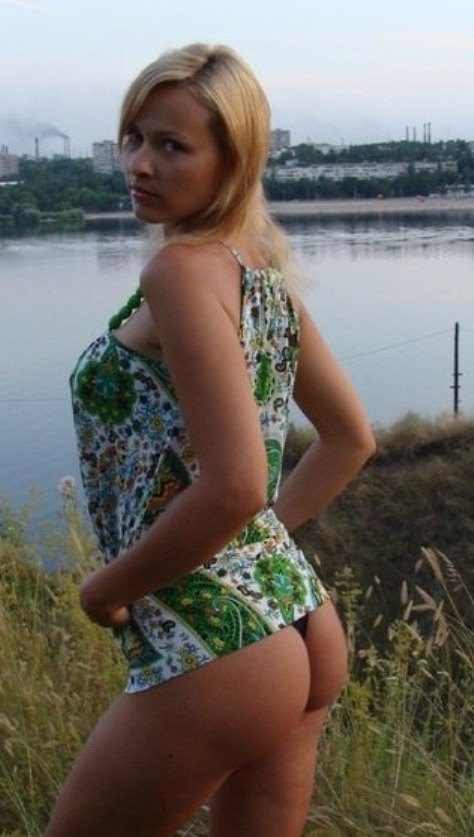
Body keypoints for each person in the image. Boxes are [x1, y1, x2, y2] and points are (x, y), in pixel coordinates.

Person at [46, 43, 375, 837]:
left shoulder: (181, 273)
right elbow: (348, 439)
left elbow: (236, 485)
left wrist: (105, 589)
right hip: (297, 613)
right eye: (134, 137)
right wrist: (252, 543)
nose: (139, 163)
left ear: (234, 161)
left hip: (220, 646)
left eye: (172, 145)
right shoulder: (258, 271)